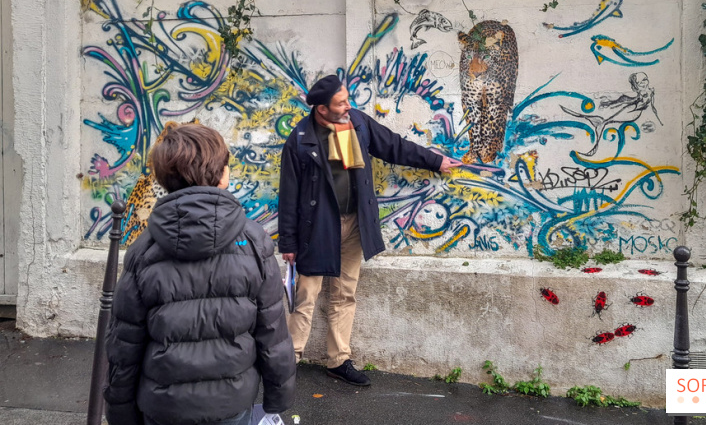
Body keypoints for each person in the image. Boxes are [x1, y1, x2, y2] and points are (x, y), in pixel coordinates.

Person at [103, 123, 296, 425]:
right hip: (231, 404)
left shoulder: (143, 251)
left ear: (165, 179)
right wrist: (278, 397)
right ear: (222, 174)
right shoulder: (255, 243)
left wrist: (120, 412)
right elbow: (272, 333)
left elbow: (124, 345)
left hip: (164, 407)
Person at [278, 74, 462, 386]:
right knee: (306, 296)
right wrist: (288, 243)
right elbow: (288, 194)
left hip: (355, 223)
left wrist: (435, 161)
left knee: (344, 293)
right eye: (341, 103)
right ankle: (287, 363)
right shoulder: (300, 140)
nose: (348, 106)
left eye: (347, 99)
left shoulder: (357, 123)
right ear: (322, 109)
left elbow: (394, 146)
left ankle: (338, 360)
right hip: (317, 229)